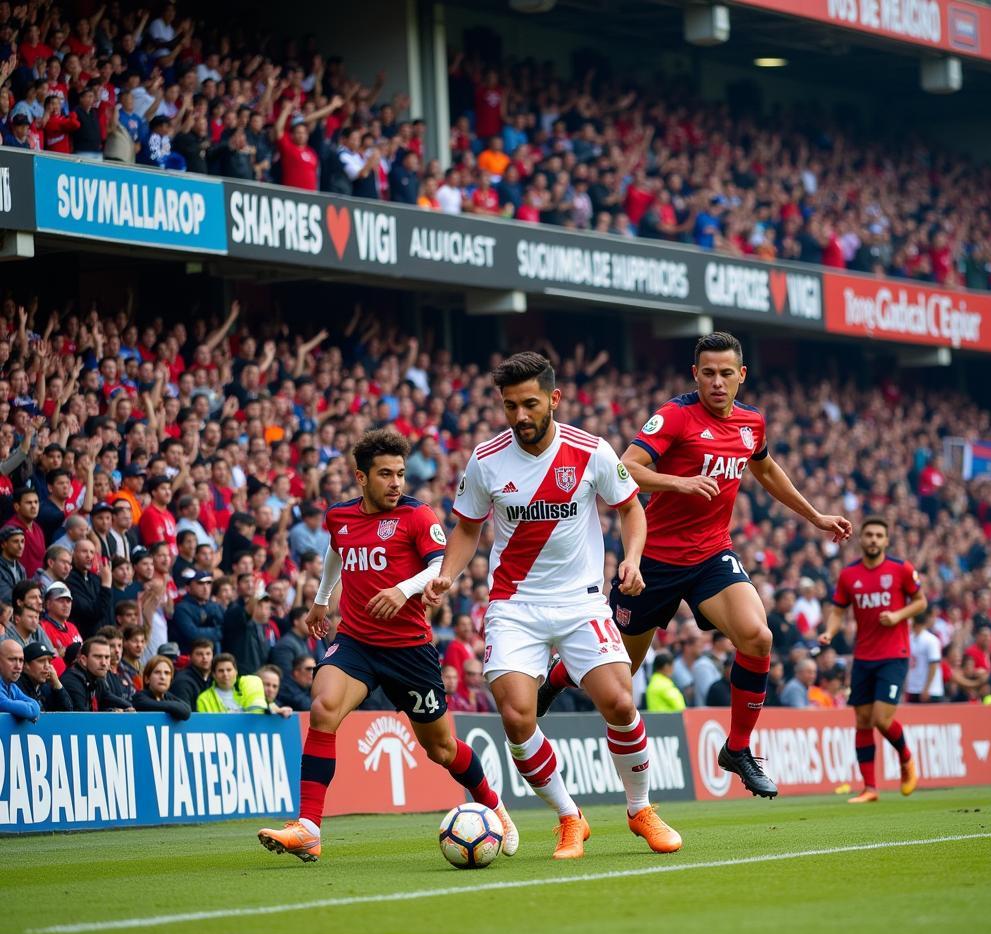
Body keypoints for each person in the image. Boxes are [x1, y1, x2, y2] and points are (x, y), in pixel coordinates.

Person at [543, 332, 852, 800]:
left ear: (741, 375)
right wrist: (680, 483)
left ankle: (738, 748)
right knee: (619, 673)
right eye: (708, 373)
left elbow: (764, 468)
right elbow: (626, 467)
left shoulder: (751, 423)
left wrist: (815, 516)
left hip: (710, 555)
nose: (717, 382)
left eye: (727, 373)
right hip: (653, 561)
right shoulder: (675, 416)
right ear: (695, 374)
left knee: (759, 636)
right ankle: (563, 672)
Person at [425, 353, 680, 859]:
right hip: (514, 606)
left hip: (581, 602)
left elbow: (631, 509)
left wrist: (632, 560)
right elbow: (469, 528)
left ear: (554, 400)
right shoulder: (486, 458)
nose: (520, 416)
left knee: (621, 703)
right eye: (510, 406)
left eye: (530, 404)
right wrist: (447, 574)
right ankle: (570, 817)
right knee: (518, 718)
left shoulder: (591, 451)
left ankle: (641, 809)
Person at [258, 429, 519, 864]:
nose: (396, 482)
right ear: (361, 478)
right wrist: (322, 601)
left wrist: (403, 590)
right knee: (323, 709)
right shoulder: (339, 517)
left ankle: (493, 805)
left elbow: (438, 565)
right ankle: (308, 828)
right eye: (385, 474)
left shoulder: (418, 516)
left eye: (400, 473)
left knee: (442, 749)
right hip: (357, 642)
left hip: (409, 650)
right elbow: (336, 552)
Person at [818, 518, 926, 803]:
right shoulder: (848, 574)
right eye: (869, 535)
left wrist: (898, 616)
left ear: (886, 541)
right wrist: (829, 632)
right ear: (861, 539)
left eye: (879, 535)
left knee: (881, 718)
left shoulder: (900, 569)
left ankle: (906, 758)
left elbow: (921, 602)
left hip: (894, 655)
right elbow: (839, 610)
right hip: (863, 656)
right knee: (863, 721)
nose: (874, 540)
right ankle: (870, 789)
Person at [61, 635, 133, 712]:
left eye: (107, 657)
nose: (104, 663)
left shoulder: (96, 676)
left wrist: (129, 708)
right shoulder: (72, 682)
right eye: (98, 657)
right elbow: (82, 719)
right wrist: (111, 713)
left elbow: (107, 697)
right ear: (83, 660)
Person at [196, 652, 268, 713]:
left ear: (236, 672)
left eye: (229, 670)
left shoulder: (247, 689)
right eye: (221, 671)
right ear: (214, 675)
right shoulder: (203, 699)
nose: (225, 674)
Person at [17, 641, 72, 712]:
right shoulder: (16, 687)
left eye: (49, 661)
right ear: (25, 665)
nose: (47, 666)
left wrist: (57, 683)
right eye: (41, 661)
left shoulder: (46, 687)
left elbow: (67, 712)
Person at [132, 655, 191, 719]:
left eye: (167, 673)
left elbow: (186, 711)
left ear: (171, 679)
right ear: (147, 679)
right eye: (157, 672)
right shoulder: (139, 698)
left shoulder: (168, 697)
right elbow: (147, 705)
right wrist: (173, 708)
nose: (163, 677)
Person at [906, 611, 943, 703]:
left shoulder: (931, 640)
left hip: (931, 690)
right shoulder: (910, 639)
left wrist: (927, 688)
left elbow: (934, 665)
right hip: (913, 688)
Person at [0, 639, 39, 721]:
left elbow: (35, 705)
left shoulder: (12, 686)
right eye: (12, 659)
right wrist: (28, 710)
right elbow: (30, 710)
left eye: (21, 660)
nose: (18, 666)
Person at [170, 637, 214, 708]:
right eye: (199, 654)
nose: (205, 657)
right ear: (190, 657)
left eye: (208, 654)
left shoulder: (216, 677)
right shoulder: (182, 681)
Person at [0, 524, 27, 604]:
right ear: (3, 544)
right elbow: (6, 597)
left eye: (22, 541)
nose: (21, 546)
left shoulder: (21, 569)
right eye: (15, 542)